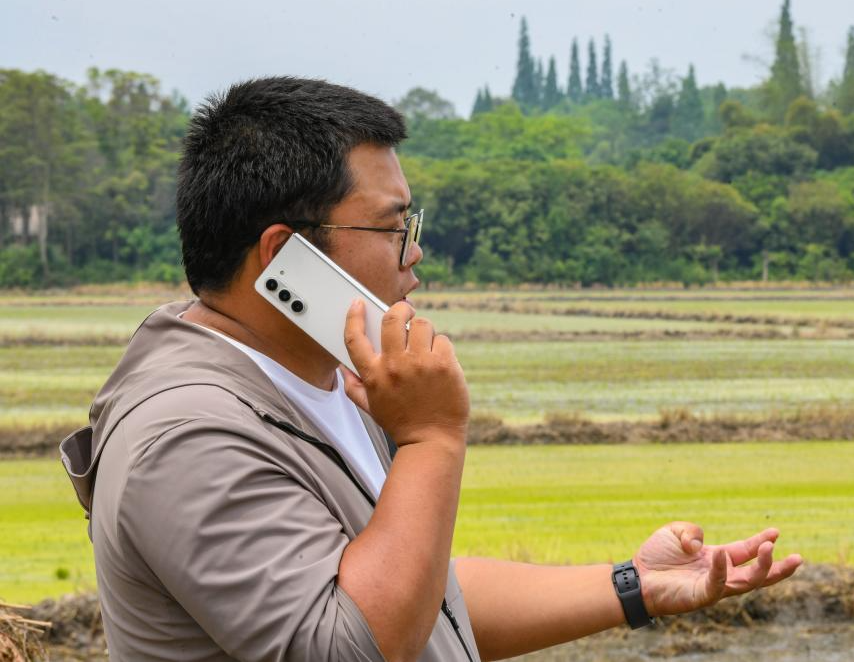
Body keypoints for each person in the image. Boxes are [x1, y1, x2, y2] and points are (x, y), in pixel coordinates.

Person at [61, 77, 803, 661]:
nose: (414, 253)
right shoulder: (186, 435)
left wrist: (635, 585)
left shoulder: (329, 380)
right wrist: (433, 440)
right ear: (284, 255)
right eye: (392, 227)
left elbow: (421, 600)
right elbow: (354, 642)